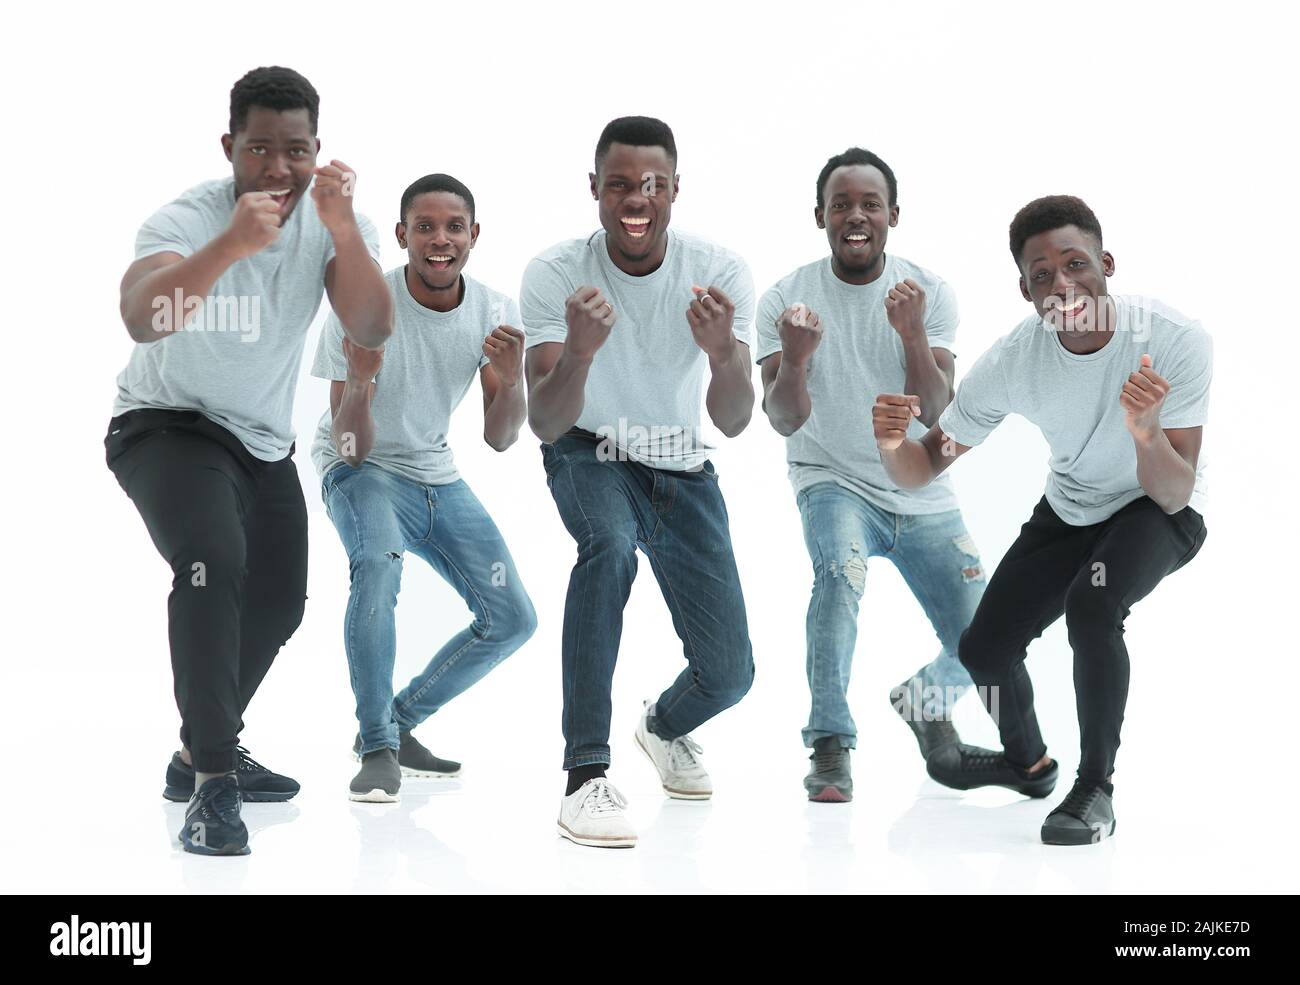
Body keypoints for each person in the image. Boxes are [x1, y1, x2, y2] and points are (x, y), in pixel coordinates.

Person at [104, 66, 390, 855]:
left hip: (260, 443)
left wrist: (343, 230)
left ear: (317, 151)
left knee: (279, 601)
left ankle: (200, 747)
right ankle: (213, 786)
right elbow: (144, 318)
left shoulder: (328, 223)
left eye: (295, 150)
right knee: (210, 559)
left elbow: (372, 323)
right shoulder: (188, 216)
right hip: (165, 426)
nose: (277, 168)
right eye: (259, 148)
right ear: (230, 147)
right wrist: (232, 243)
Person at [872, 195, 1210, 844]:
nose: (1062, 283)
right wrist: (892, 447)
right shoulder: (1013, 362)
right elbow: (923, 466)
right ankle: (1028, 763)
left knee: (1093, 601)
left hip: (1159, 503)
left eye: (1075, 263)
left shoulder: (1173, 339)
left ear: (1106, 263)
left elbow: (1175, 491)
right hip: (1074, 506)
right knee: (984, 648)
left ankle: (1095, 789)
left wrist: (1144, 433)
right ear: (1025, 289)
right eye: (1043, 274)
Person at [521, 116, 756, 848]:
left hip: (682, 464)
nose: (635, 197)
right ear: (594, 190)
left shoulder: (719, 269)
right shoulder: (557, 272)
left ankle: (661, 726)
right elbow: (544, 418)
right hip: (589, 451)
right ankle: (585, 776)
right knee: (609, 549)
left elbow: (738, 415)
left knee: (730, 673)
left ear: (674, 192)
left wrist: (722, 355)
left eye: (652, 185)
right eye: (619, 183)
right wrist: (581, 355)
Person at [756, 148, 995, 803]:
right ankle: (830, 743)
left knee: (991, 633)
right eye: (841, 205)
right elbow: (781, 419)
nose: (855, 216)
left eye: (869, 204)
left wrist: (913, 335)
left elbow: (937, 410)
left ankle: (925, 698)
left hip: (919, 484)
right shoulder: (785, 298)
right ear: (820, 217)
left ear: (893, 215)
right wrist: (796, 361)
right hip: (830, 478)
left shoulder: (929, 291)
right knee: (840, 573)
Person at [313, 173, 537, 803]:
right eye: (426, 227)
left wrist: (511, 378)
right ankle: (377, 745)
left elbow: (500, 438)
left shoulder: (496, 311)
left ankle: (399, 722)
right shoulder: (364, 308)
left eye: (454, 227)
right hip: (361, 470)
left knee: (513, 619)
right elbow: (349, 444)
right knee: (379, 570)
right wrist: (360, 380)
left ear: (473, 236)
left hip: (435, 476)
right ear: (403, 235)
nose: (441, 240)